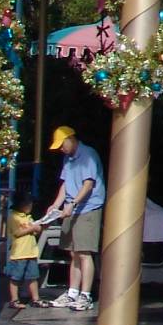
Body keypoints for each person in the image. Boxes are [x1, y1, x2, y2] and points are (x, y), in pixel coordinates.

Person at [43, 126, 105, 312]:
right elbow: (65, 184)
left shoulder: (88, 155)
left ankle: (85, 295)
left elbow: (88, 184)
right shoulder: (68, 159)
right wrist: (56, 205)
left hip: (88, 208)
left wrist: (73, 204)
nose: (61, 149)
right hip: (72, 209)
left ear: (71, 139)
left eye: (62, 144)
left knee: (84, 252)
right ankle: (72, 292)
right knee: (73, 252)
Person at [4, 194, 45, 309]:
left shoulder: (28, 217)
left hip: (31, 252)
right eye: (29, 204)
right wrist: (32, 228)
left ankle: (36, 298)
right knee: (16, 277)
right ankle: (14, 299)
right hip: (19, 254)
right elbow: (17, 232)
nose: (31, 206)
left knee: (33, 276)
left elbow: (33, 231)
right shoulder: (14, 217)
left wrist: (38, 228)